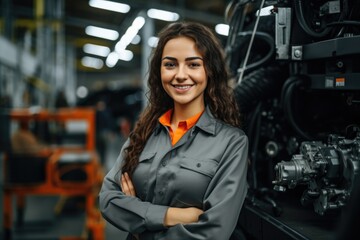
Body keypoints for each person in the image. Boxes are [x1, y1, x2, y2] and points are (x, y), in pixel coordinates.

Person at [99, 22, 249, 240]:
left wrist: (138, 220)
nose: (180, 75)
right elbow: (108, 199)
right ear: (159, 71)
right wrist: (172, 215)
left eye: (193, 65)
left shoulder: (232, 143)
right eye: (170, 64)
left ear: (209, 71)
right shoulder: (143, 133)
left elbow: (215, 231)